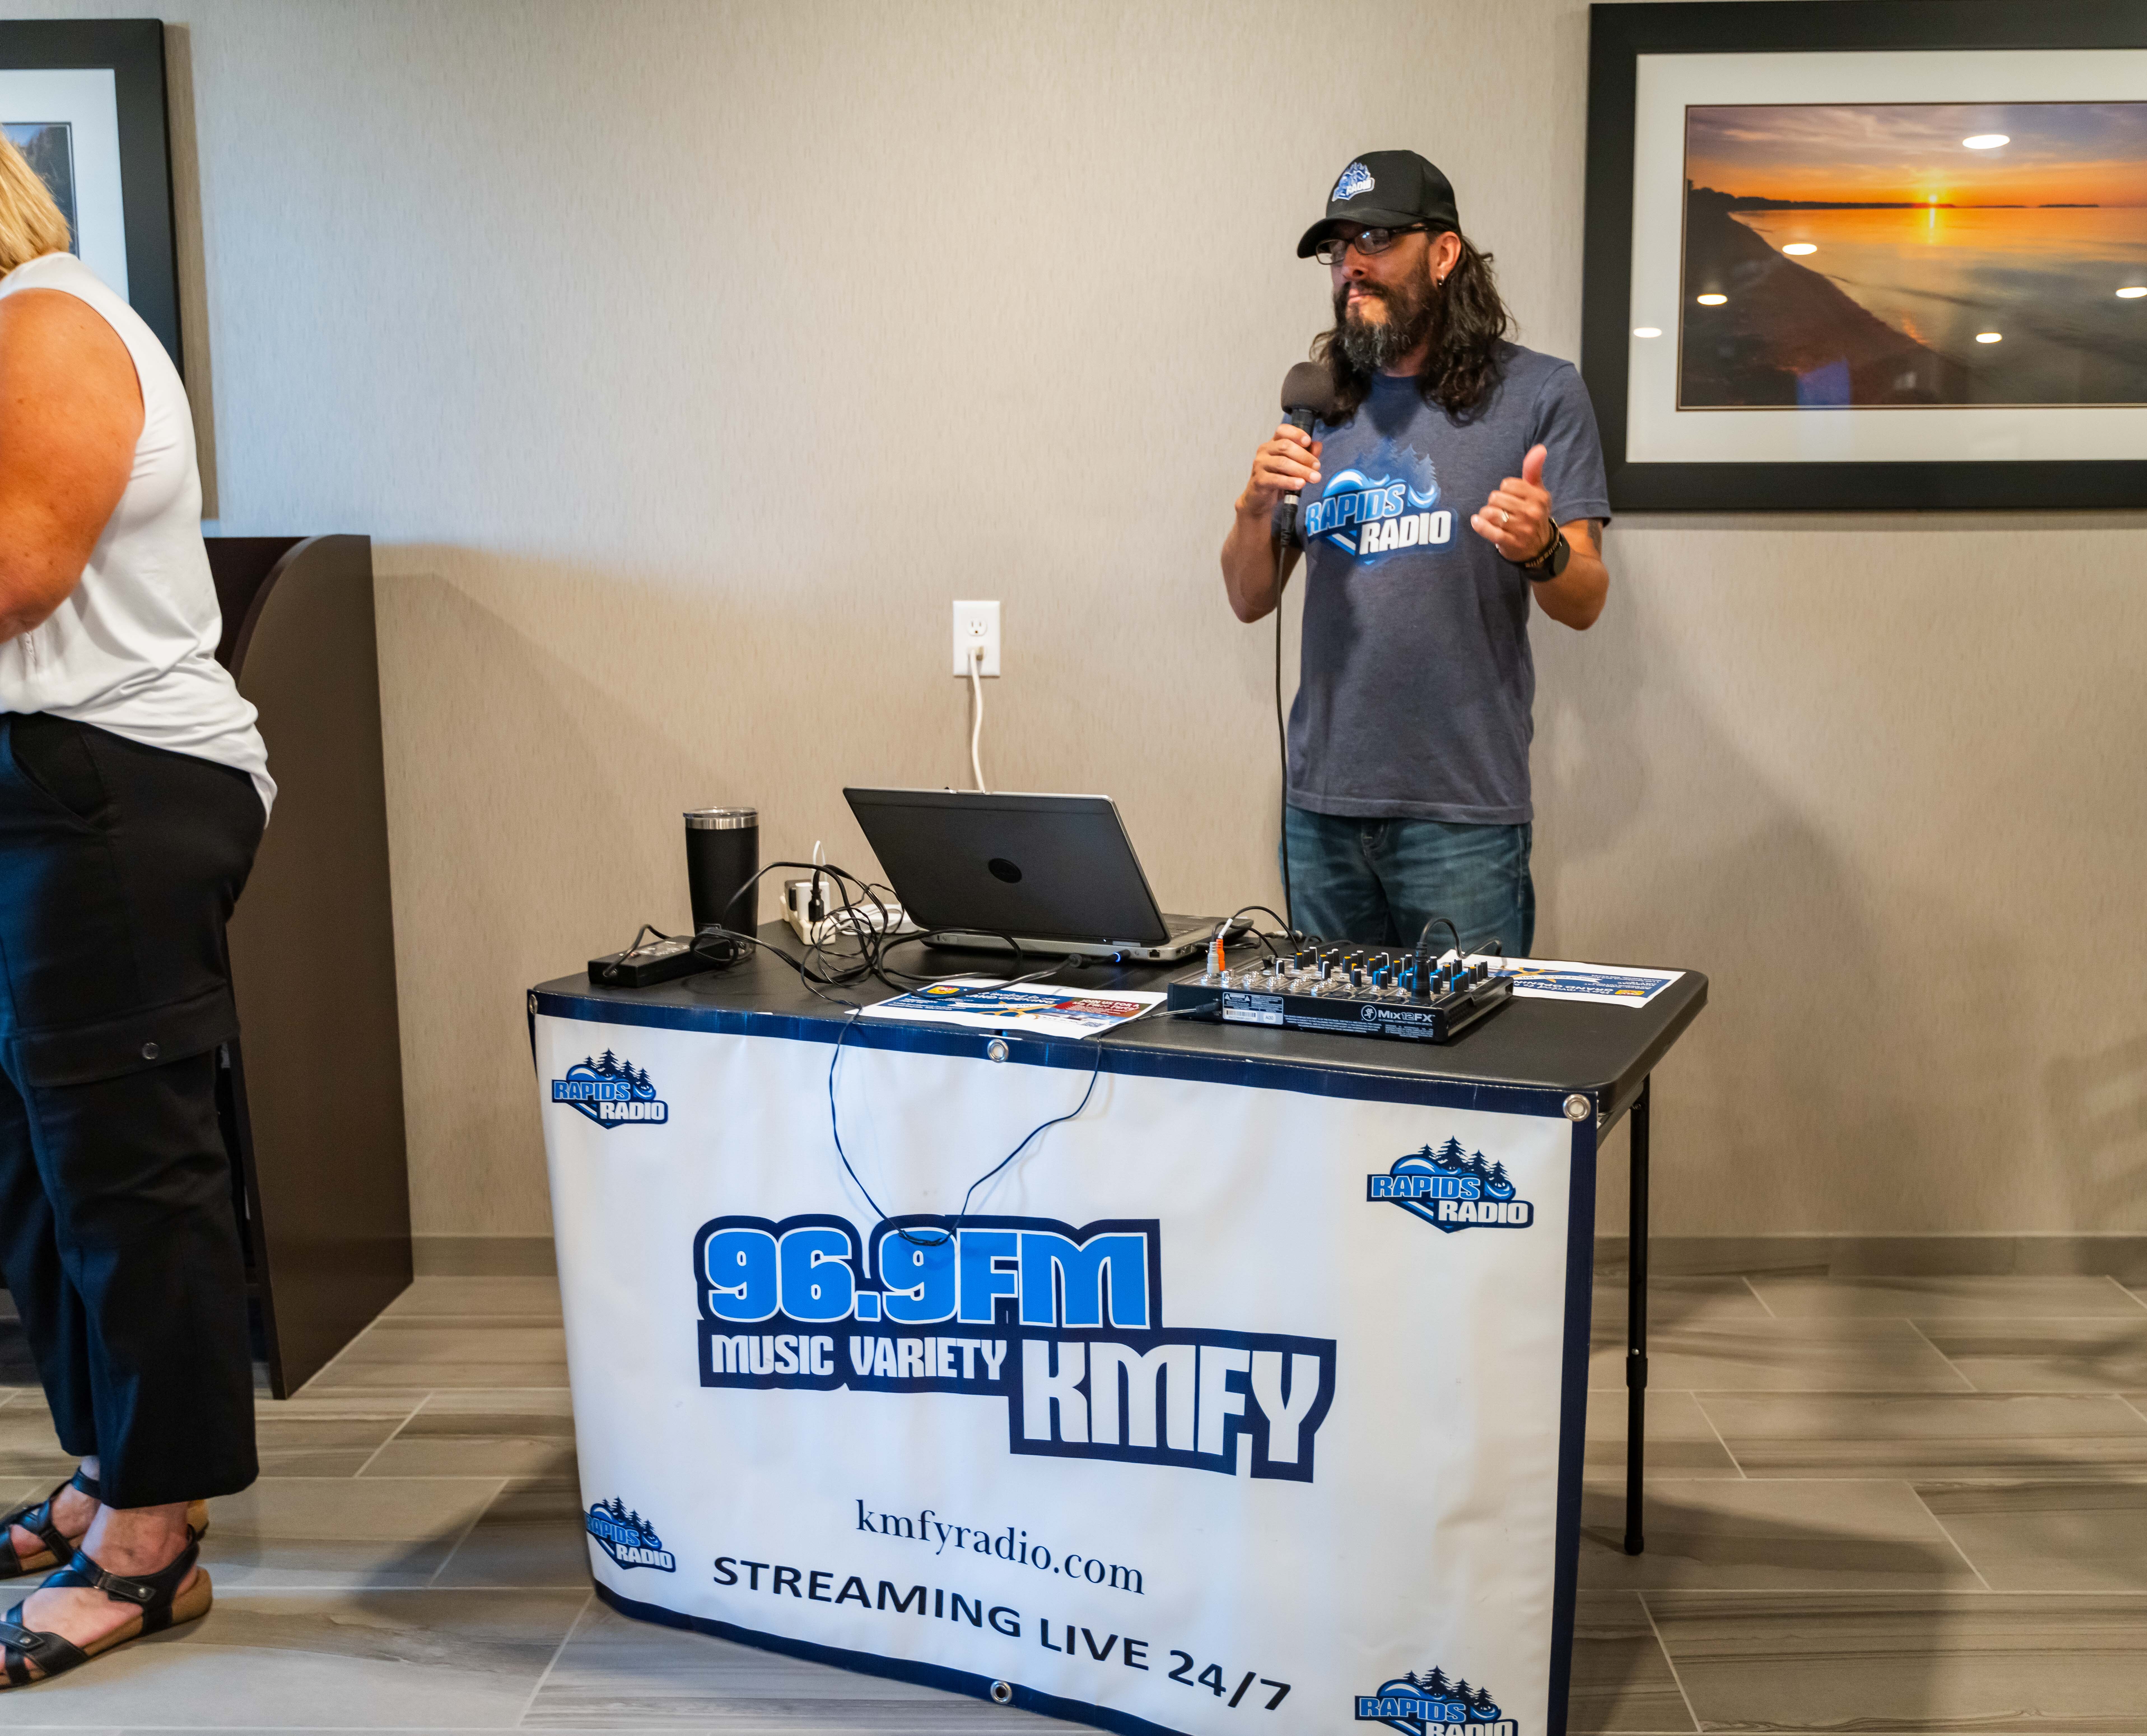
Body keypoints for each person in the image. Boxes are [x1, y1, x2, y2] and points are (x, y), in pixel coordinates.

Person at [0, 131, 272, 1684]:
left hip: (110, 787)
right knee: (43, 1171)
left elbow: (19, 570)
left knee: (124, 1166)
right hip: (39, 787)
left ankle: (150, 1547)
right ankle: (110, 1466)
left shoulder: (43, 316)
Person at [1220, 150, 1610, 957]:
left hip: (1459, 816)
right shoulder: (1320, 402)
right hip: (1321, 810)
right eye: (1338, 249)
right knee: (1334, 1068)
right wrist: (1255, 506)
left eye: (1376, 241)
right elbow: (1249, 597)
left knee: (1469, 1073)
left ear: (1443, 254)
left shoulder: (1539, 394)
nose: (1351, 268)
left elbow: (1584, 599)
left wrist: (1540, 549)